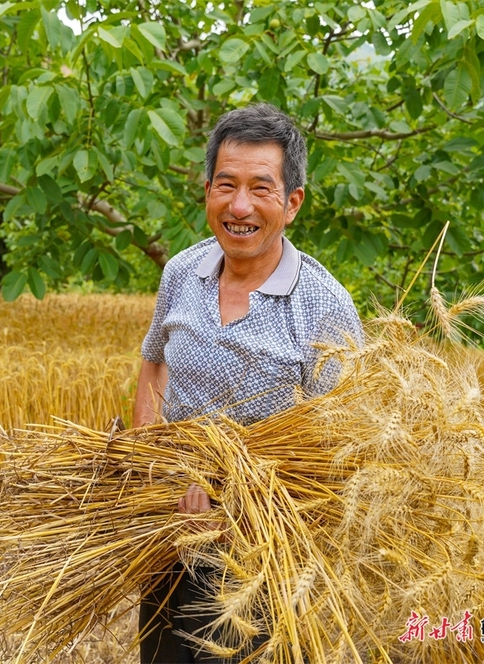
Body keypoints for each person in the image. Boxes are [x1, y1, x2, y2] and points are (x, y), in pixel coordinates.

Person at [132, 103, 364, 663]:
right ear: (207, 190)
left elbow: (350, 442)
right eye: (226, 185)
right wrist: (150, 465)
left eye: (261, 188)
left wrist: (238, 498)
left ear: (292, 203)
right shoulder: (182, 272)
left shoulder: (323, 305)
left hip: (264, 563)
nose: (240, 206)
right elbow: (156, 362)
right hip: (169, 539)